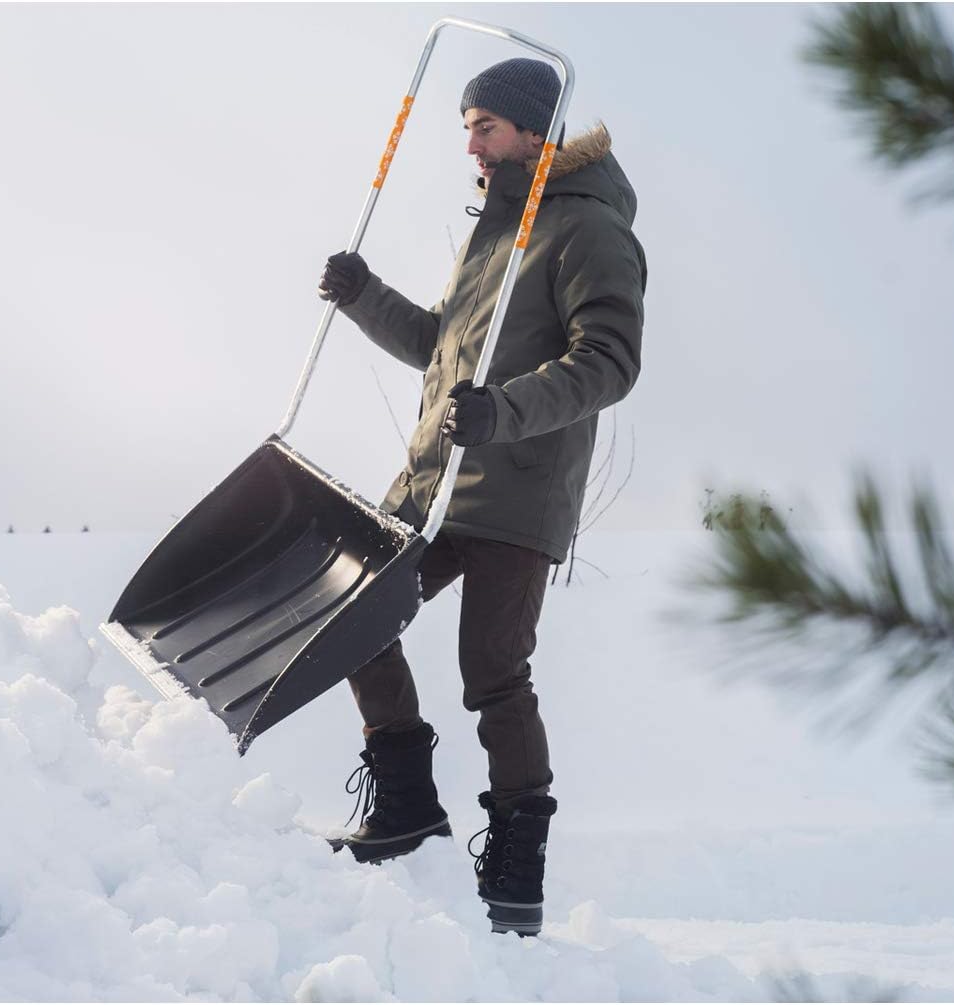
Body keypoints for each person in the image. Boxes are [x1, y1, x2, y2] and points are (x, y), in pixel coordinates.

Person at [317, 56, 646, 936]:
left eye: (485, 126)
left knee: (494, 674)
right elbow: (445, 348)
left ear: (536, 132)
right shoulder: (496, 229)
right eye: (466, 125)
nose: (470, 142)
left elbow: (608, 362)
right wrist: (365, 298)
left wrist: (502, 413)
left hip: (518, 488)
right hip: (437, 480)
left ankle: (516, 867)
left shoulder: (589, 232)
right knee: (356, 614)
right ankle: (407, 800)